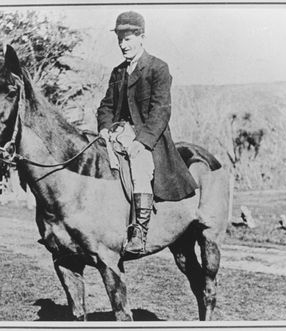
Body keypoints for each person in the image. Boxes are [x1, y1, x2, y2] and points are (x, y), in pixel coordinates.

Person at [97, 11, 198, 255]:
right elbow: (107, 106)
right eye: (120, 39)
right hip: (119, 132)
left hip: (149, 138)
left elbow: (160, 111)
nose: (123, 44)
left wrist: (142, 142)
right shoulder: (118, 72)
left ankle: (139, 230)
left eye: (128, 39)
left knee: (140, 165)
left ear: (142, 37)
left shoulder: (158, 68)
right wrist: (103, 128)